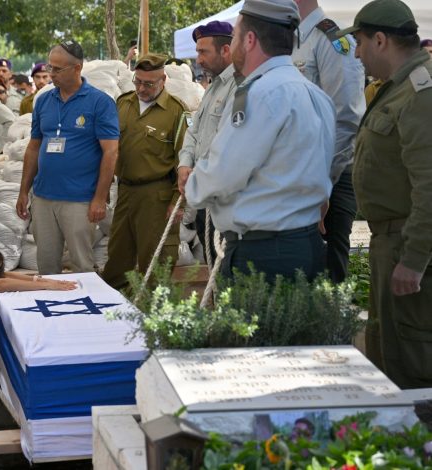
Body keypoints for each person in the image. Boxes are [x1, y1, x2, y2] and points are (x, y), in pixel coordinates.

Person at [184, 0, 335, 282]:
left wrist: (193, 188)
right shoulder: (316, 95)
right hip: (306, 243)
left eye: (237, 36)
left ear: (250, 40)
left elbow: (224, 173)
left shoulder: (257, 94)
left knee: (253, 327)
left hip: (263, 253)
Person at [339, 0, 432, 389]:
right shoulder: (398, 88)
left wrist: (413, 260)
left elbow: (429, 183)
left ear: (381, 40)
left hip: (407, 244)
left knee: (411, 362)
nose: (357, 53)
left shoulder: (420, 92)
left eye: (359, 42)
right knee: (386, 354)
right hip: (387, 241)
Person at [15, 39, 120, 274]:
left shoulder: (100, 102)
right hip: (43, 198)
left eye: (57, 69)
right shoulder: (43, 100)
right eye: (49, 67)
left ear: (77, 68)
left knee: (82, 265)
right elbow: (33, 147)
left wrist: (100, 198)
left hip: (80, 200)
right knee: (47, 266)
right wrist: (24, 191)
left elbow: (111, 152)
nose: (51, 74)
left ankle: (86, 309)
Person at [292, 0, 366, 284]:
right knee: (300, 271)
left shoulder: (334, 40)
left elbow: (346, 119)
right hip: (299, 176)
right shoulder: (289, 38)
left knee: (329, 274)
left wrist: (323, 183)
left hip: (330, 176)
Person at [101, 53, 188, 290]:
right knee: (118, 254)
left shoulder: (176, 111)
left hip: (156, 195)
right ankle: (115, 311)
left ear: (163, 80)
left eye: (148, 84)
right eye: (137, 81)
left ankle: (149, 314)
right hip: (126, 191)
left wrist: (177, 202)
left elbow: (185, 160)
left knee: (154, 261)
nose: (141, 88)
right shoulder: (123, 103)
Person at [177, 21, 237, 269]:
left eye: (203, 52)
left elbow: (228, 142)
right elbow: (194, 132)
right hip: (203, 192)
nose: (198, 60)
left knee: (224, 267)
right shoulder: (213, 87)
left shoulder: (239, 87)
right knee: (212, 265)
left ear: (225, 50)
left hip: (223, 198)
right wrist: (184, 164)